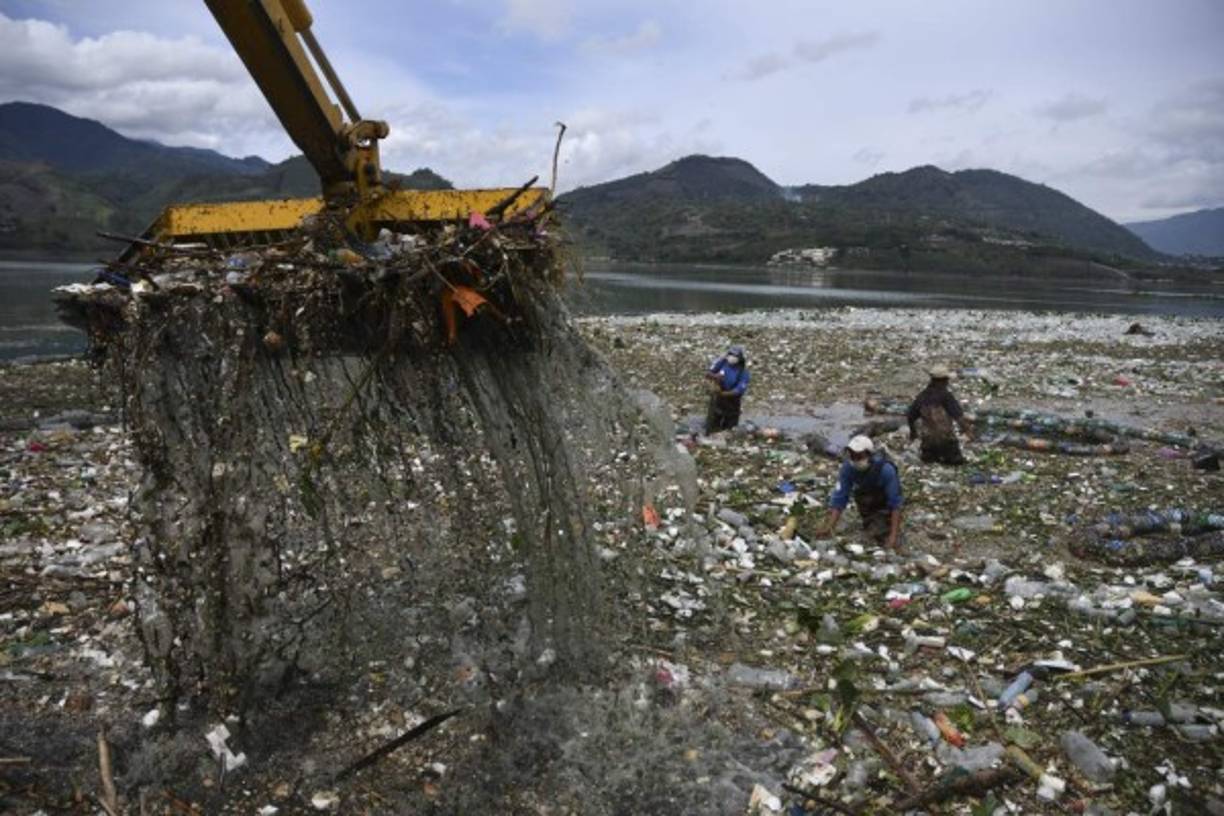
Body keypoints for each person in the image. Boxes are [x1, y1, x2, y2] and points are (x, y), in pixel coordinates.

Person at [816, 435, 904, 550]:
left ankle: (888, 523)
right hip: (867, 505)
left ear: (869, 455)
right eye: (852, 456)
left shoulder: (886, 470)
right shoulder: (848, 468)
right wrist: (829, 527)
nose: (855, 460)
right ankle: (871, 520)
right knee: (871, 528)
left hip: (884, 504)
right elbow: (840, 498)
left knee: (878, 533)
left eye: (859, 456)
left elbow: (895, 504)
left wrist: (893, 537)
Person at [907, 365, 972, 465]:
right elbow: (959, 417)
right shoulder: (946, 396)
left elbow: (910, 416)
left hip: (928, 444)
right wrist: (967, 431)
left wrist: (913, 433)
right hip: (947, 442)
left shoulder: (922, 397)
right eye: (946, 380)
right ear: (943, 381)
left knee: (930, 462)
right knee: (957, 463)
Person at [704, 345, 750, 433]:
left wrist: (723, 394)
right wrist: (715, 377)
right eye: (731, 354)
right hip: (718, 400)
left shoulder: (743, 373)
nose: (732, 357)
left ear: (739, 358)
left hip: (732, 401)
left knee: (730, 428)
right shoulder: (722, 363)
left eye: (735, 356)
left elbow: (738, 390)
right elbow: (708, 373)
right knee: (713, 422)